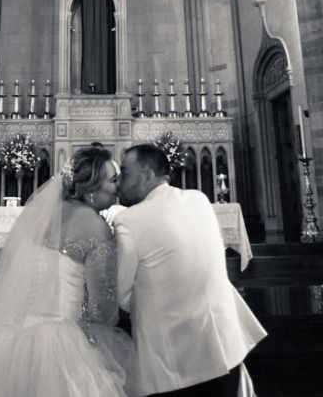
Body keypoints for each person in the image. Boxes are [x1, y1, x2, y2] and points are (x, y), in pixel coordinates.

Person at [0, 144, 132, 397]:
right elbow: (103, 310)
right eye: (113, 181)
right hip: (63, 342)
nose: (118, 188)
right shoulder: (96, 228)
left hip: (5, 337)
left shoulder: (42, 217)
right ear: (91, 188)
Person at [114, 144, 266, 397]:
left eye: (126, 173)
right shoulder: (199, 199)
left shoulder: (129, 220)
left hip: (176, 363)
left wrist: (153, 301)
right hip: (225, 347)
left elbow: (120, 293)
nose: (119, 181)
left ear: (148, 175)